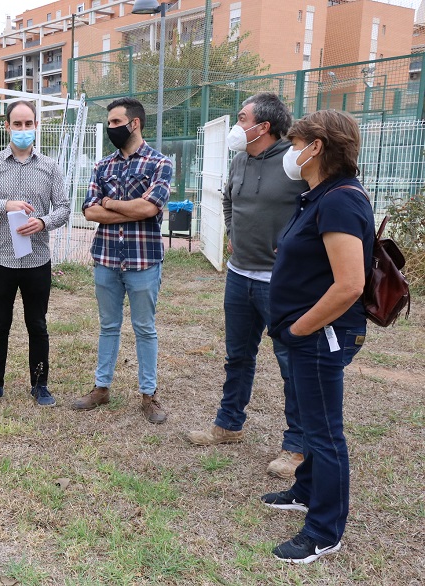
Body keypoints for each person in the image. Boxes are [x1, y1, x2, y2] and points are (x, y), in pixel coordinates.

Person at [261, 110, 374, 564]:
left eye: (295, 143)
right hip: (305, 335)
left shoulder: (340, 201)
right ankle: (305, 491)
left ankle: (325, 532)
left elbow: (350, 284)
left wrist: (300, 327)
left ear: (317, 147)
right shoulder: (317, 196)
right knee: (311, 421)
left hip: (320, 335)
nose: (291, 152)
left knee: (325, 432)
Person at [185, 92, 309, 479]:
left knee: (291, 363)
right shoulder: (240, 160)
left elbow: (316, 205)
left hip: (281, 282)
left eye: (242, 118)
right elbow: (228, 200)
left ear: (264, 126)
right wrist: (233, 232)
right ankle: (228, 424)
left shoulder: (294, 161)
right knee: (238, 356)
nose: (238, 125)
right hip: (239, 275)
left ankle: (297, 446)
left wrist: (292, 242)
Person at [71, 97, 173, 424]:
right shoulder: (102, 166)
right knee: (108, 326)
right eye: (110, 123)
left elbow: (150, 208)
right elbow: (89, 211)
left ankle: (149, 395)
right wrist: (130, 209)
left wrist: (111, 203)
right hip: (106, 259)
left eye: (116, 122)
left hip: (144, 261)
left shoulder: (160, 164)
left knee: (144, 328)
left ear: (135, 123)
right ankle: (101, 389)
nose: (110, 128)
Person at [0, 100, 70, 407]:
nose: (24, 129)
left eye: (29, 124)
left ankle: (40, 385)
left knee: (37, 324)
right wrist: (4, 204)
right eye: (18, 124)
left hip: (38, 259)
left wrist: (43, 222)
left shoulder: (49, 167)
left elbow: (63, 208)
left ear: (36, 126)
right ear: (7, 126)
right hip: (1, 259)